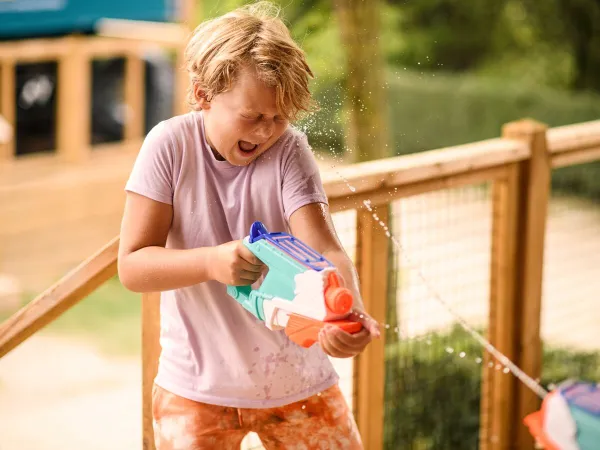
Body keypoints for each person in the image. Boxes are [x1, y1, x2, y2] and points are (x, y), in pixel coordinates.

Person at [118, 2, 380, 449]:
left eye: (279, 118)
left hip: (299, 382)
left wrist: (344, 311)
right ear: (203, 94)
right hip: (195, 388)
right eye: (253, 116)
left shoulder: (289, 150)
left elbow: (325, 249)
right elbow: (132, 266)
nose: (265, 132)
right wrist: (211, 263)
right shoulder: (169, 146)